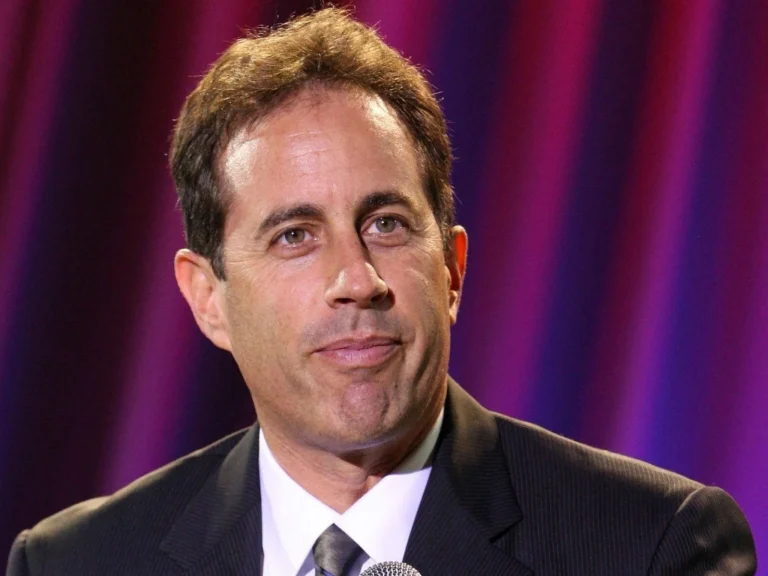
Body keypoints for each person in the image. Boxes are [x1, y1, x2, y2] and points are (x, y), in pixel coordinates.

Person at [5, 7, 757, 576]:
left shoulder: (650, 546)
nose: (357, 281)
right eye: (295, 235)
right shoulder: (77, 563)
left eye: (387, 225)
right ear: (208, 298)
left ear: (451, 269)